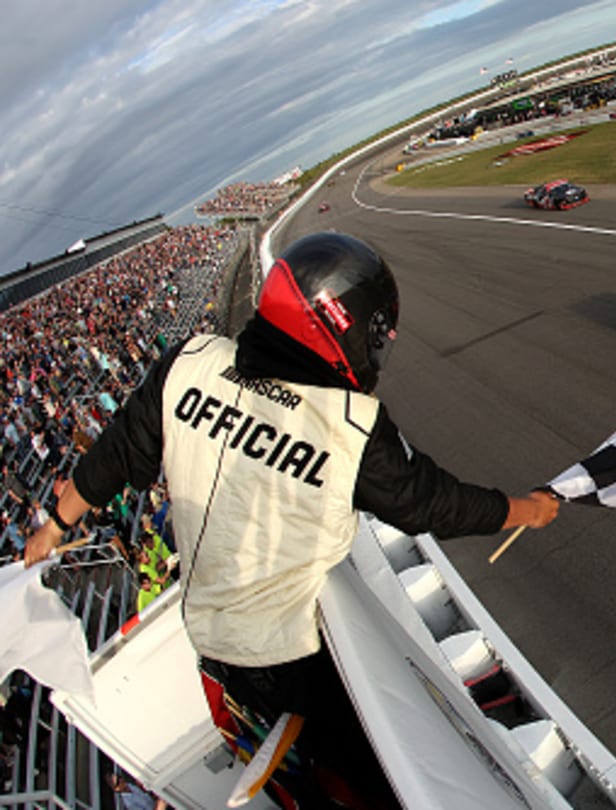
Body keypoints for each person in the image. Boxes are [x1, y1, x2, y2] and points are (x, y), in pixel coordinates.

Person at [26, 232, 560, 808]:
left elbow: (112, 455)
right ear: (338, 327)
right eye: (374, 333)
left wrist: (54, 526)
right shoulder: (347, 425)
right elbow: (432, 504)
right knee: (374, 775)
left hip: (209, 639)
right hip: (285, 654)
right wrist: (525, 509)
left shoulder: (190, 362)